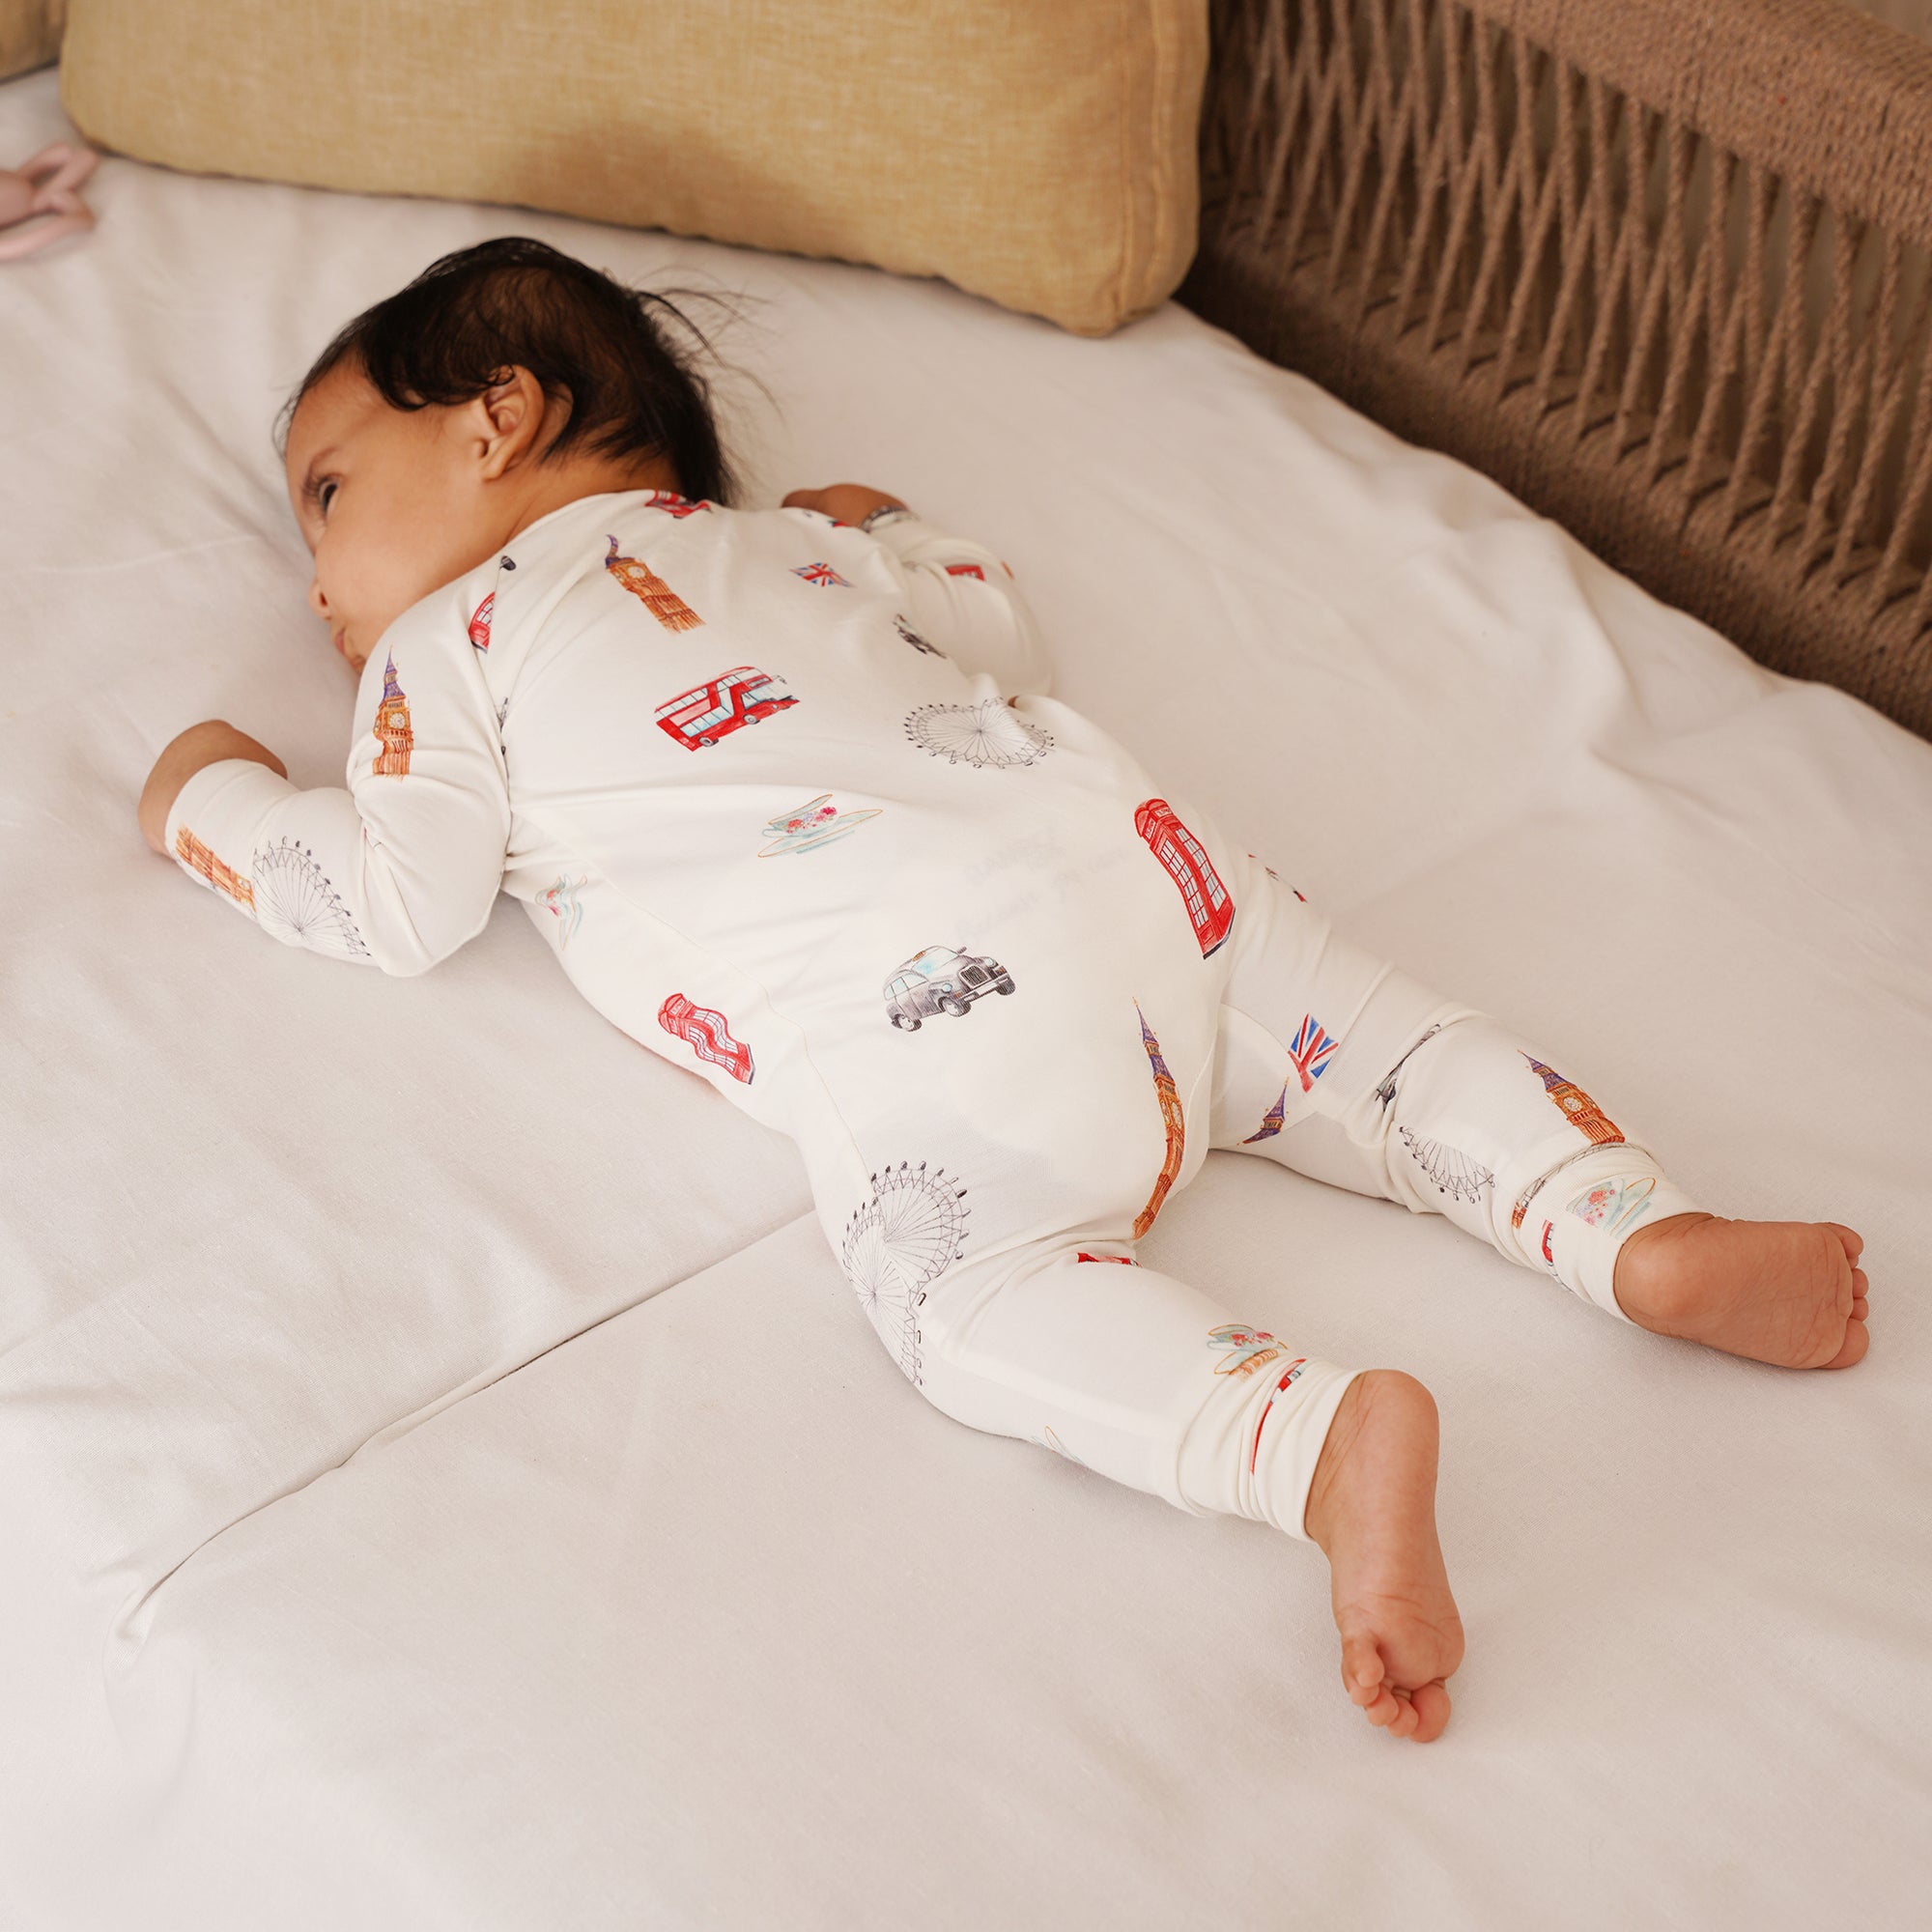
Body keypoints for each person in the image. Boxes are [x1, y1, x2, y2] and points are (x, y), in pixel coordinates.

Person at [138, 238, 1871, 1745]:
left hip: (942, 1009)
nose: (314, 579)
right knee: (1401, 1058)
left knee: (965, 1295)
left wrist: (209, 798)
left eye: (329, 493)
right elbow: (998, 634)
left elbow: (394, 902)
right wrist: (887, 524)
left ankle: (1310, 1441)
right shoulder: (787, 553)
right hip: (1146, 865)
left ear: (495, 419)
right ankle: (1635, 1231)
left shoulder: (445, 653)